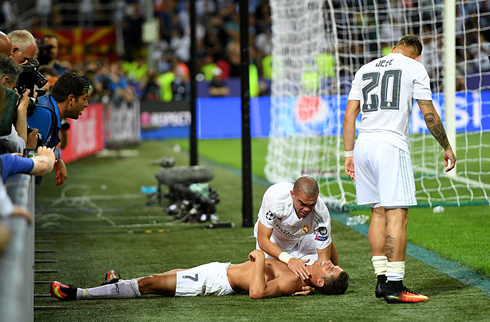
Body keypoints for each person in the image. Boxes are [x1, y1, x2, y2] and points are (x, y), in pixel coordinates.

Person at [342, 34, 457, 304]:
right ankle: (395, 286)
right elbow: (428, 111)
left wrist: (349, 154)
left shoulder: (366, 68)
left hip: (363, 146)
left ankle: (382, 282)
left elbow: (349, 115)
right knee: (397, 216)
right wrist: (446, 145)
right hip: (390, 146)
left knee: (377, 213)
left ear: (393, 49)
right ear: (416, 56)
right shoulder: (414, 67)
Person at [49, 249, 349, 301]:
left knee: (150, 284)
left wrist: (259, 259)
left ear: (321, 280)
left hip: (215, 282)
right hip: (218, 270)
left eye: (331, 267)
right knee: (161, 276)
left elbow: (257, 293)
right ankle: (115, 285)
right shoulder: (301, 270)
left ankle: (80, 293)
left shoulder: (295, 280)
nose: (329, 262)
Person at [254, 176, 339, 282]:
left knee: (320, 273)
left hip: (302, 238)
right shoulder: (275, 198)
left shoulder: (321, 213)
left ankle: (327, 235)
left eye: (312, 205)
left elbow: (324, 262)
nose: (306, 209)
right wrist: (289, 260)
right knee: (266, 278)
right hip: (274, 240)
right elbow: (263, 239)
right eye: (302, 204)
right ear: (292, 195)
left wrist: (311, 287)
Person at [26, 71, 91, 186]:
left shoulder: (50, 110)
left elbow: (36, 150)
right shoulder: (43, 114)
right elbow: (25, 154)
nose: (86, 104)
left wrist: (56, 160)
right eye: (84, 99)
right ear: (71, 99)